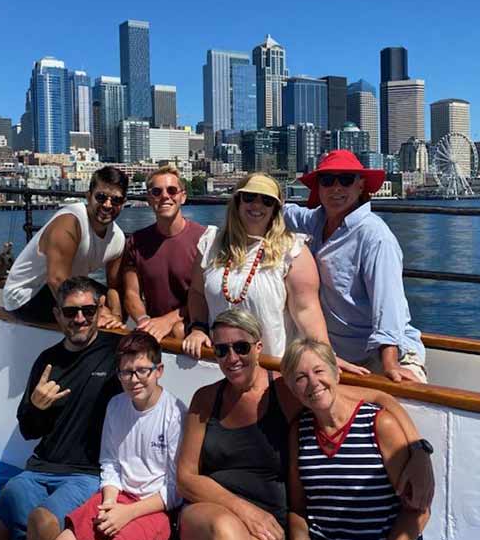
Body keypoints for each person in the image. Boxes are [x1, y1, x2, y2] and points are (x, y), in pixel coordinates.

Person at [177, 309, 434, 540]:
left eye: (241, 347)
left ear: (258, 348)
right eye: (221, 350)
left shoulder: (287, 390)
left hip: (268, 525)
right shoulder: (206, 399)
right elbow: (185, 477)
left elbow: (381, 398)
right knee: (225, 527)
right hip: (214, 511)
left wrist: (419, 452)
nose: (232, 358)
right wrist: (244, 510)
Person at [0, 277, 123, 540]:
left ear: (99, 310)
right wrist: (36, 407)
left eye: (88, 310)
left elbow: (149, 362)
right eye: (70, 312)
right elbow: (29, 430)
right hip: (38, 469)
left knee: (41, 522)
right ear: (57, 315)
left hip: (87, 474)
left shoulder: (117, 352)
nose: (80, 319)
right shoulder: (47, 360)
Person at [182, 173, 361, 371]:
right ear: (237, 201)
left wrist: (326, 355)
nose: (257, 205)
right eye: (249, 197)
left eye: (267, 201)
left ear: (275, 209)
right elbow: (197, 292)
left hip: (271, 367)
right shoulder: (210, 244)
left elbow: (307, 310)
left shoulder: (292, 251)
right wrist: (198, 329)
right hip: (221, 363)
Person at [283, 150, 428, 383]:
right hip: (339, 353)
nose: (336, 188)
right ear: (318, 188)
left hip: (384, 353)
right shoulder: (317, 220)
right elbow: (284, 212)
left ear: (360, 186)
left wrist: (390, 364)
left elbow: (388, 306)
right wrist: (257, 199)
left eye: (346, 180)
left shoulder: (375, 237)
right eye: (328, 180)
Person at [283, 338, 429, 540]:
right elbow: (299, 509)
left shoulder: (379, 425)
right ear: (292, 388)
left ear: (336, 373)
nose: (313, 382)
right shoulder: (299, 431)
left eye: (319, 371)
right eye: (301, 377)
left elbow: (418, 510)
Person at [53, 331, 186, 540]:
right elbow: (110, 462)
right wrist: (109, 503)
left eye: (142, 371)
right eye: (126, 372)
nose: (134, 380)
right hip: (118, 496)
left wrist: (127, 513)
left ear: (158, 371)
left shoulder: (176, 414)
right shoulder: (116, 405)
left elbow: (175, 489)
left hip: (155, 508)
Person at [2, 166, 128, 326]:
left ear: (123, 203)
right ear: (89, 197)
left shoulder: (118, 238)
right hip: (28, 295)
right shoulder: (70, 222)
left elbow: (114, 287)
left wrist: (115, 315)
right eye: (101, 197)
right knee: (90, 311)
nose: (108, 205)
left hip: (69, 286)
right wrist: (98, 312)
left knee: (122, 302)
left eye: (116, 200)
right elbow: (56, 280)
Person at [121, 165, 208, 341]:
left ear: (183, 197)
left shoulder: (204, 239)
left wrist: (168, 320)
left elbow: (207, 295)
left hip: (195, 329)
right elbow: (131, 293)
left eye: (172, 190)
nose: (165, 196)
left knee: (178, 330)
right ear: (149, 198)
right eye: (156, 192)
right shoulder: (136, 242)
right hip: (154, 331)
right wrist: (144, 320)